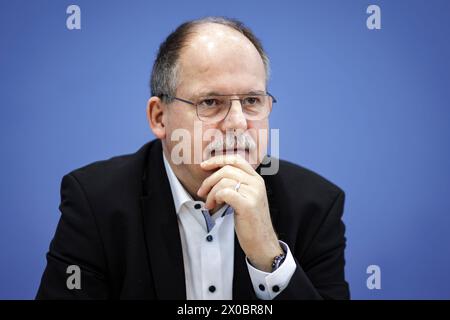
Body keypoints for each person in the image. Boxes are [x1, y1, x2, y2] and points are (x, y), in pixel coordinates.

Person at [36, 17, 349, 300]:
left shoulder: (316, 206)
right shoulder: (96, 202)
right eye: (210, 101)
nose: (239, 123)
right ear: (159, 117)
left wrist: (270, 258)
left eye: (252, 100)